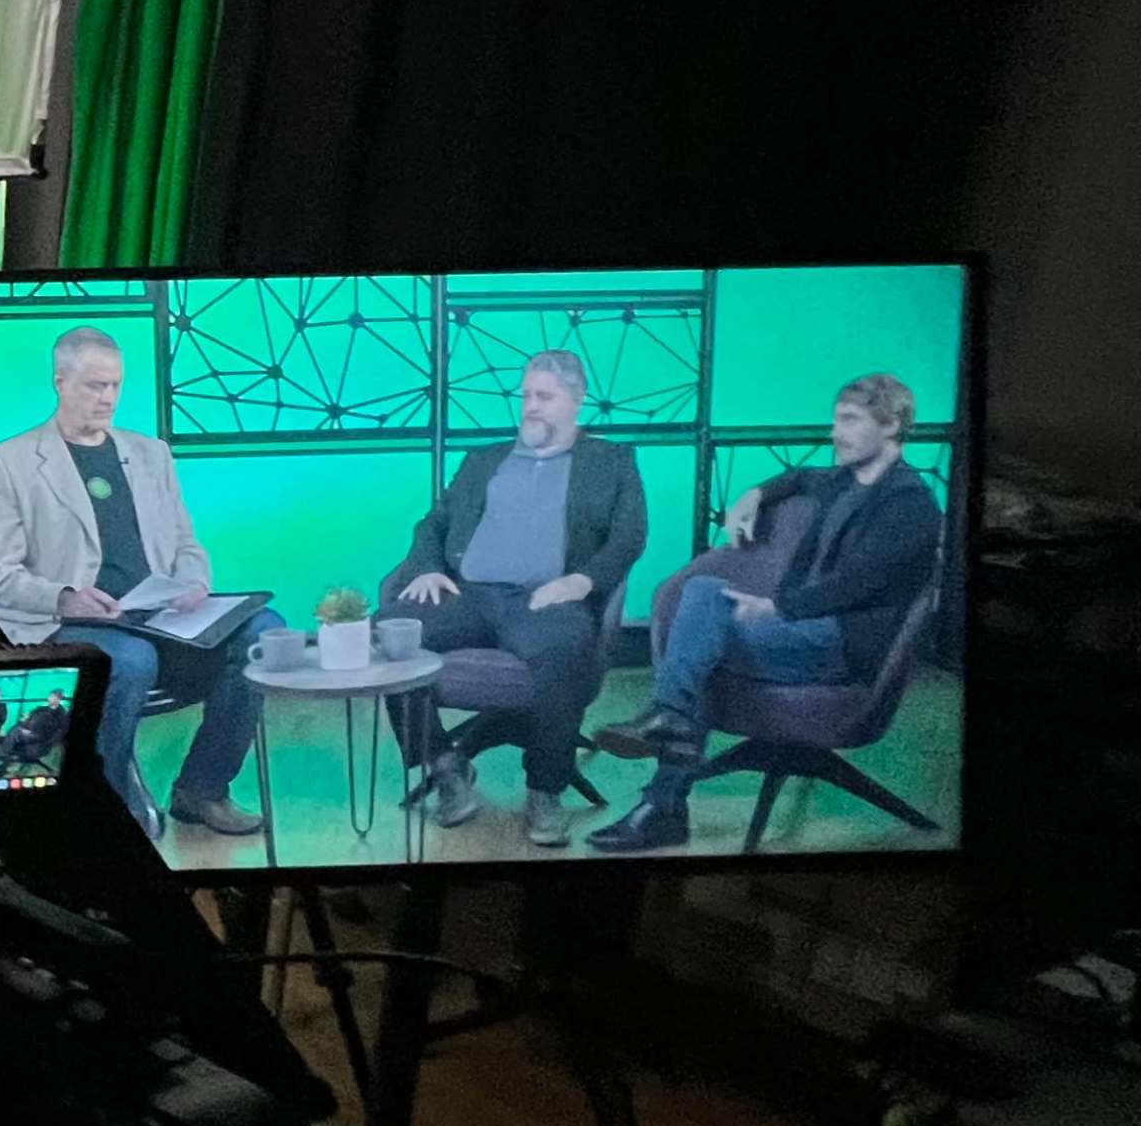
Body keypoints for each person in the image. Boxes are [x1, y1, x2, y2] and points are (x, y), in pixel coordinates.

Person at [586, 373, 940, 853]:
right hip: (799, 630)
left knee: (700, 638)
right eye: (836, 419)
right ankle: (669, 743)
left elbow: (858, 582)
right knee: (703, 598)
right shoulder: (843, 480)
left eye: (850, 421)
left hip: (840, 644)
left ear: (892, 424)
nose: (836, 432)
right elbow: (797, 477)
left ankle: (663, 785)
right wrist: (754, 494)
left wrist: (778, 609)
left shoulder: (910, 504)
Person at [0, 325, 254, 837]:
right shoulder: (8, 462)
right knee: (129, 659)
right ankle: (104, 806)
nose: (108, 398)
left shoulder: (151, 454)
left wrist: (194, 581)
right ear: (59, 381)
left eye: (115, 386)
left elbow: (187, 546)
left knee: (261, 632)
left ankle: (201, 788)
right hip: (66, 624)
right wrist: (66, 598)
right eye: (94, 386)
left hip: (158, 615)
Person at [384, 347, 650, 847]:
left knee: (566, 650)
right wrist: (428, 567)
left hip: (544, 598)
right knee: (390, 635)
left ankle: (544, 790)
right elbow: (433, 524)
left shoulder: (611, 461)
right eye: (525, 395)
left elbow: (629, 537)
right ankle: (445, 765)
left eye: (544, 396)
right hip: (469, 592)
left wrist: (582, 582)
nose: (530, 406)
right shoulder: (483, 460)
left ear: (576, 399)